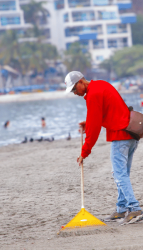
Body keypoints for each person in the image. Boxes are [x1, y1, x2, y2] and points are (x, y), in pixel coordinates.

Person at [65, 71, 142, 224]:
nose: (74, 93)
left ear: (81, 82)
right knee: (122, 174)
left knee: (119, 175)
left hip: (120, 136)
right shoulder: (100, 85)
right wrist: (88, 123)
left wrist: (84, 152)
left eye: (74, 89)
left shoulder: (92, 95)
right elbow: (108, 110)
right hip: (131, 135)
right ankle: (121, 210)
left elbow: (94, 129)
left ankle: (134, 208)